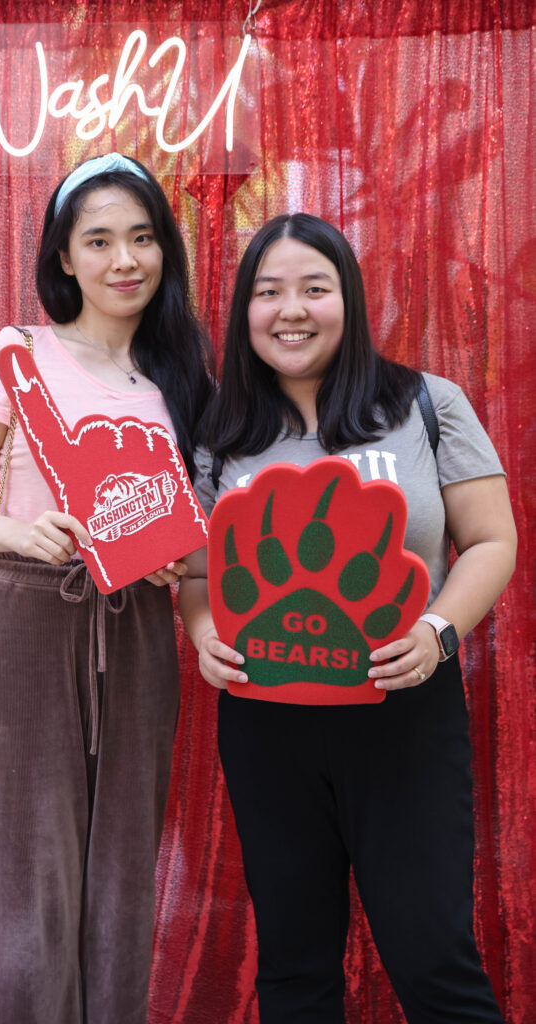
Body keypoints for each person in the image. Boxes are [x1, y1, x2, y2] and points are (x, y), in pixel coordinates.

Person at [178, 213, 516, 1023]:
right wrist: (201, 634)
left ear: (349, 301)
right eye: (267, 292)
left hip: (403, 711)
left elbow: (492, 540)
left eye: (313, 288)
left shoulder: (425, 404)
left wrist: (436, 634)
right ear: (243, 312)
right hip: (265, 719)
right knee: (294, 966)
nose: (289, 310)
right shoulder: (220, 433)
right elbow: (195, 570)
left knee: (433, 960)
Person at [0, 153, 212, 1024]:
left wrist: (185, 578)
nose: (123, 259)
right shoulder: (18, 355)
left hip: (138, 626)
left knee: (127, 865)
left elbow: (194, 530)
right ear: (63, 256)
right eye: (98, 240)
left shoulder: (181, 381)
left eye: (141, 238)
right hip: (29, 614)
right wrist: (24, 532)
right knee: (34, 870)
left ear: (164, 250)